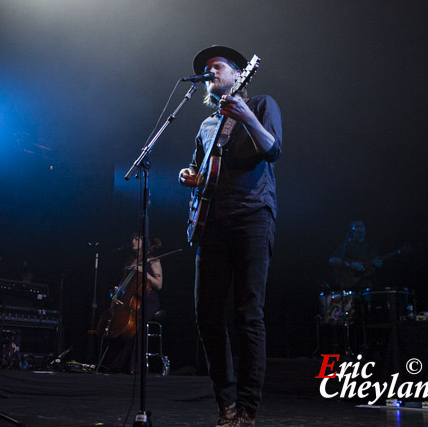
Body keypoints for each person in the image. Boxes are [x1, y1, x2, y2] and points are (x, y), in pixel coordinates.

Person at [179, 45, 282, 427]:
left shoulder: (260, 105)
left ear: (239, 73)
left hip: (253, 215)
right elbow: (197, 169)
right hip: (211, 223)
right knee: (206, 315)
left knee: (247, 314)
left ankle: (248, 409)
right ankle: (225, 404)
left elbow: (273, 150)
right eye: (205, 69)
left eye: (216, 66)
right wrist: (186, 176)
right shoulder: (206, 125)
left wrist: (246, 118)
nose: (210, 71)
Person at [100, 233, 162, 373]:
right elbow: (124, 284)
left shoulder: (153, 260)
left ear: (144, 242)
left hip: (148, 298)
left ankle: (133, 366)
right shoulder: (130, 261)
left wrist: (143, 272)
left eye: (136, 239)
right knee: (120, 324)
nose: (133, 241)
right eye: (132, 238)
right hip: (131, 299)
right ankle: (114, 363)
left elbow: (159, 285)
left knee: (136, 323)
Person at [328, 220, 382, 290]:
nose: (359, 229)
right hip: (349, 284)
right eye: (356, 227)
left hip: (367, 283)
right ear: (351, 230)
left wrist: (378, 264)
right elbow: (332, 260)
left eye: (361, 227)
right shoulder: (346, 245)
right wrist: (349, 264)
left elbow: (374, 264)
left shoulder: (371, 245)